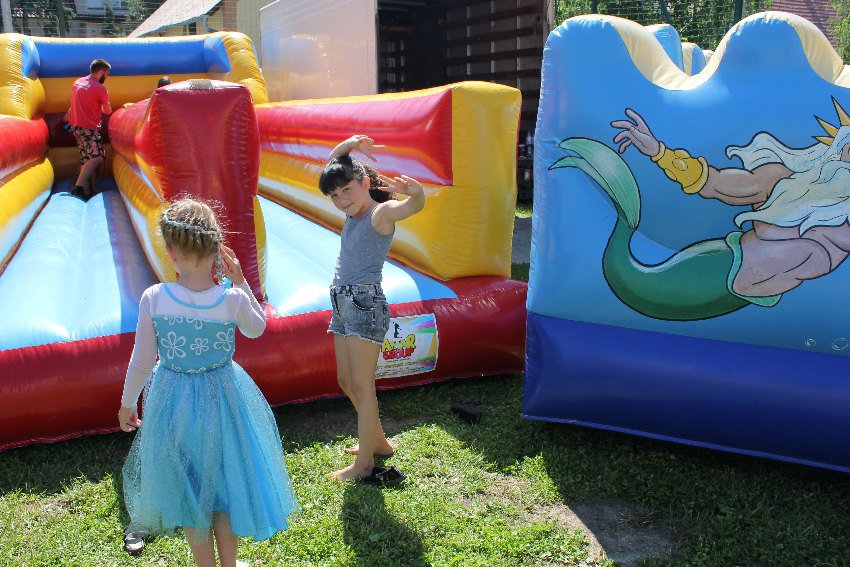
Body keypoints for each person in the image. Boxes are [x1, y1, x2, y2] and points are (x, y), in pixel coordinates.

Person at [118, 198, 298, 566]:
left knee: (189, 490)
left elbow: (141, 360)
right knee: (224, 488)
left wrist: (127, 402)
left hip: (173, 406)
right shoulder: (230, 299)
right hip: (224, 403)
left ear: (171, 251)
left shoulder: (155, 298)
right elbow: (257, 328)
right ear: (216, 248)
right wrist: (241, 281)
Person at [320, 135, 426, 482]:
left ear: (365, 183)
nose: (341, 200)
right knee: (346, 380)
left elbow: (410, 207)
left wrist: (415, 193)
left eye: (347, 190)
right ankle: (377, 441)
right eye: (334, 195)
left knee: (362, 384)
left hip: (364, 302)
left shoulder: (379, 214)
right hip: (342, 301)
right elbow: (333, 166)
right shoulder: (354, 210)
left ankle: (365, 464)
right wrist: (348, 145)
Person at [64, 59, 112, 201]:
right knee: (97, 157)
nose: (107, 77)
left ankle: (88, 188)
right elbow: (107, 111)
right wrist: (101, 104)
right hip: (88, 127)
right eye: (107, 74)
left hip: (76, 126)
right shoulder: (100, 88)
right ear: (101, 72)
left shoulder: (77, 83)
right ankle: (79, 187)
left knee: (87, 159)